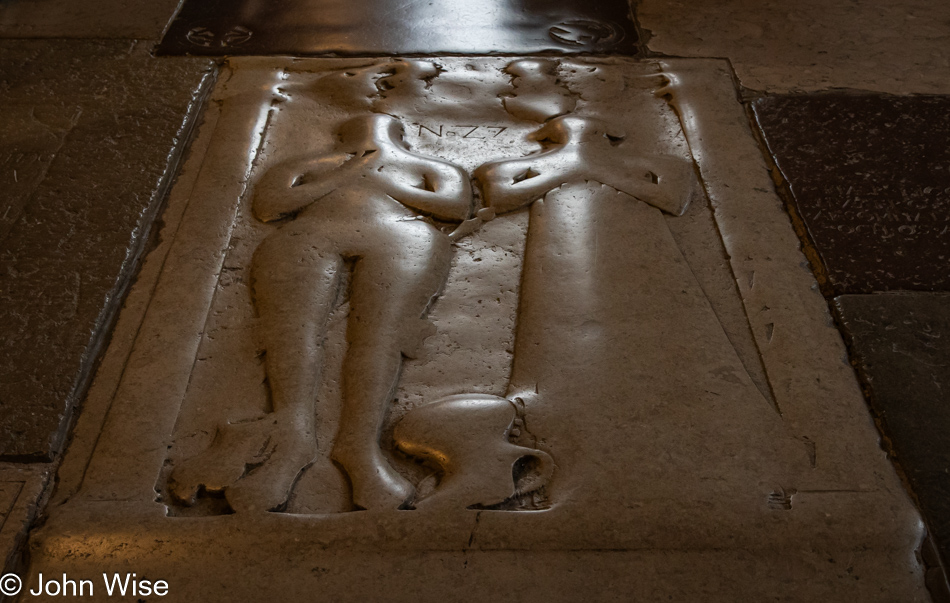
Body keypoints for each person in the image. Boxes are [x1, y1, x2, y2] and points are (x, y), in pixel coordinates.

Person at [238, 112, 472, 510]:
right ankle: (290, 440)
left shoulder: (429, 166)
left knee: (384, 336)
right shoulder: (307, 165)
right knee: (290, 333)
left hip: (399, 233)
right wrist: (346, 174)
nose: (371, 133)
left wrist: (381, 179)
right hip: (309, 235)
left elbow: (453, 207)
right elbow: (270, 205)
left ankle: (360, 446)